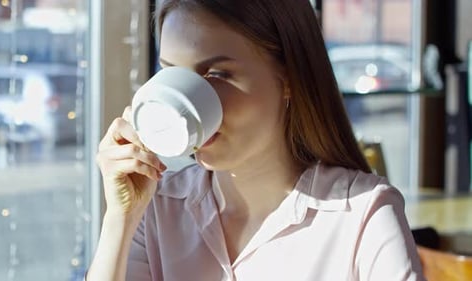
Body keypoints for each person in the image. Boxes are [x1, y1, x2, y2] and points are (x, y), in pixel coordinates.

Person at [86, 0, 425, 280]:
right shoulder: (159, 207)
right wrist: (121, 218)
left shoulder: (361, 216)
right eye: (171, 73)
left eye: (218, 74)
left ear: (289, 77)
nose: (189, 104)